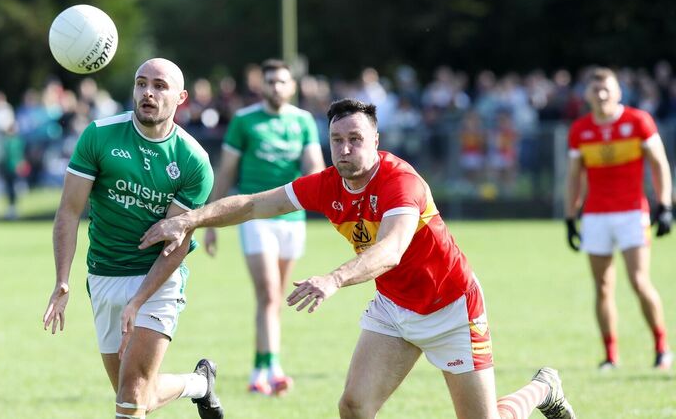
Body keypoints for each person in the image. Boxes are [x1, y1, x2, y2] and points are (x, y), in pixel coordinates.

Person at [140, 99, 576, 419]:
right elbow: (254, 204)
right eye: (337, 140)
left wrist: (333, 279)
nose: (345, 149)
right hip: (393, 308)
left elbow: (390, 250)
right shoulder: (326, 184)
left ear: (376, 141)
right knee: (353, 406)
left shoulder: (400, 182)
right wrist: (192, 220)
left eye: (355, 139)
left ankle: (543, 387)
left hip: (451, 308)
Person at [42, 58, 224, 419]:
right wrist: (63, 280)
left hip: (156, 278)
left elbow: (177, 244)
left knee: (130, 397)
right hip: (104, 274)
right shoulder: (99, 135)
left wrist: (139, 300)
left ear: (181, 97)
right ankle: (199, 384)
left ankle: (195, 384)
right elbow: (68, 211)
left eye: (159, 86)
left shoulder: (193, 160)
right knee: (138, 398)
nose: (148, 93)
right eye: (141, 84)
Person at [204, 58, 325, 395]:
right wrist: (211, 221)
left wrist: (331, 195)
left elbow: (315, 166)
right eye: (270, 81)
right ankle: (271, 370)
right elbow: (226, 172)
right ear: (262, 86)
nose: (276, 87)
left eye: (282, 81)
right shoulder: (244, 122)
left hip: (293, 218)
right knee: (269, 293)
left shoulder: (302, 122)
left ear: (292, 86)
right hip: (255, 218)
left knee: (274, 300)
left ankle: (262, 367)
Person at [564, 67, 673, 371]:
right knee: (602, 287)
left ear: (618, 92)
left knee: (639, 281)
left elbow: (659, 163)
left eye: (606, 89)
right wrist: (570, 216)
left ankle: (662, 347)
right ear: (587, 95)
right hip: (596, 217)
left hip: (631, 213)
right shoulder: (580, 130)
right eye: (595, 90)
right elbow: (574, 177)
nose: (601, 95)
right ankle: (610, 356)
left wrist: (664, 205)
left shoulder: (638, 121)